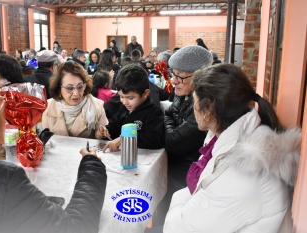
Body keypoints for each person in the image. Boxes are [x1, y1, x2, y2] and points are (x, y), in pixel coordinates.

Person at [0, 64, 107, 233]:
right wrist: (92, 167)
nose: (3, 110)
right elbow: (76, 228)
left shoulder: (96, 106)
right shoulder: (4, 180)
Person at [164, 63, 300, 233]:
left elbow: (178, 229)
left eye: (195, 100)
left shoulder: (241, 168)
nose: (193, 107)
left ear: (208, 108)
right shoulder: (246, 136)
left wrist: (179, 197)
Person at [154, 45, 213, 226]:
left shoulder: (204, 106)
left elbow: (172, 141)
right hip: (171, 165)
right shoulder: (182, 94)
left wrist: (168, 126)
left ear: (199, 77)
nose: (174, 80)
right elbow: (167, 114)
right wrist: (170, 125)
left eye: (180, 76)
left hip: (185, 176)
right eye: (173, 74)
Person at [97, 63, 164, 152]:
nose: (124, 102)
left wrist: (125, 139)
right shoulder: (124, 109)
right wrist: (106, 131)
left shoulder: (154, 113)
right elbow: (114, 125)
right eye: (121, 96)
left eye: (130, 98)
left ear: (145, 94)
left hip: (143, 160)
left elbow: (156, 139)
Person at [42, 61, 108, 138]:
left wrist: (100, 134)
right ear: (59, 89)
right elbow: (44, 137)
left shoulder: (97, 106)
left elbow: (102, 136)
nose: (76, 94)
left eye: (80, 87)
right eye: (69, 88)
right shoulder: (48, 106)